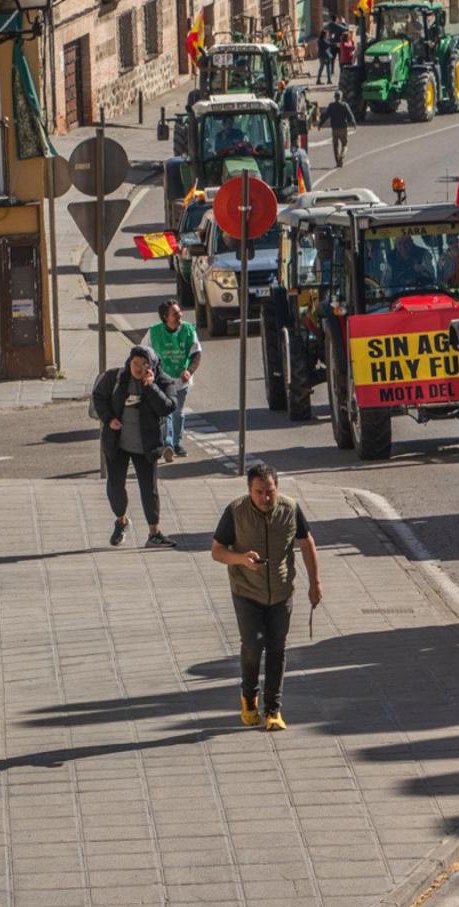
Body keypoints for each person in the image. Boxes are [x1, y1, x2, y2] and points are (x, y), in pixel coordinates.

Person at [210, 463, 322, 732]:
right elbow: (216, 551)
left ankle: (273, 710)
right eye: (259, 492)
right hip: (246, 591)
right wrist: (241, 560)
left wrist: (315, 583)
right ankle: (249, 697)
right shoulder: (235, 511)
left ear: (277, 488)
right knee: (253, 646)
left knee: (277, 648)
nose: (265, 498)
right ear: (249, 491)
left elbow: (306, 544)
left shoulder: (290, 509)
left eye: (269, 491)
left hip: (281, 592)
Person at [92, 345, 178, 549]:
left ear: (153, 366)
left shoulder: (163, 381)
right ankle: (121, 521)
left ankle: (154, 533)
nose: (139, 368)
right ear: (129, 362)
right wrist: (109, 418)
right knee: (115, 486)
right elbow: (99, 396)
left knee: (149, 490)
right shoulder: (116, 378)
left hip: (146, 446)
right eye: (135, 363)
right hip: (117, 443)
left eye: (145, 365)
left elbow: (168, 407)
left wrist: (150, 387)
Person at [143, 299, 201, 460]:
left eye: (179, 312)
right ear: (165, 317)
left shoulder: (188, 330)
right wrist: (149, 372)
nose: (180, 315)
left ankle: (176, 443)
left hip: (181, 381)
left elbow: (197, 354)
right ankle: (168, 443)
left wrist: (189, 371)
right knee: (166, 411)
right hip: (162, 381)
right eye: (175, 314)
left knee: (178, 413)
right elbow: (144, 353)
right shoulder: (154, 332)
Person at [319, 91, 356, 166]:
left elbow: (326, 116)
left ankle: (338, 162)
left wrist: (320, 124)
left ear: (334, 97)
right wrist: (353, 123)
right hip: (343, 128)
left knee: (335, 146)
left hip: (334, 129)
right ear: (341, 97)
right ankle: (341, 156)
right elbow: (350, 115)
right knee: (344, 145)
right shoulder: (345, 105)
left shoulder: (331, 106)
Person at [316, 18, 337, 84]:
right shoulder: (323, 41)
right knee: (328, 68)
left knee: (321, 68)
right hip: (326, 56)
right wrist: (336, 44)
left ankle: (319, 80)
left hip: (321, 56)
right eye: (326, 34)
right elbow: (329, 44)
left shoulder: (320, 40)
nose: (327, 35)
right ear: (324, 35)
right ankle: (328, 80)